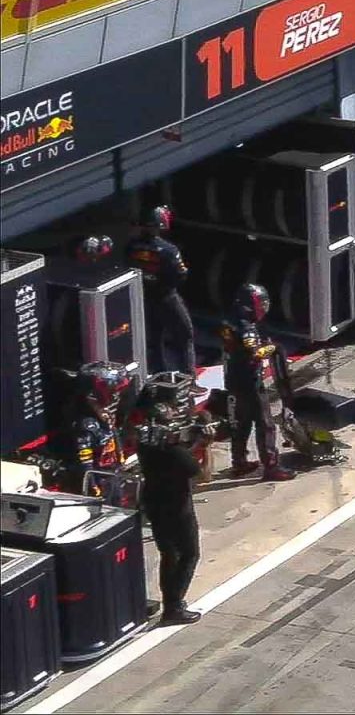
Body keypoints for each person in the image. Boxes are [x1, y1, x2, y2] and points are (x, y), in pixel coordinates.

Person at [136, 405, 206, 625]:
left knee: (169, 554)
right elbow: (200, 473)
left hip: (153, 503)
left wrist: (187, 443)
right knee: (189, 554)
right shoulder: (174, 452)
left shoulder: (145, 445)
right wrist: (202, 444)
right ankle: (173, 606)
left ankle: (171, 603)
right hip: (177, 507)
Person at [220, 284, 294, 482]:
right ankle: (271, 466)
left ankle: (239, 462)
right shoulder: (247, 328)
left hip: (232, 378)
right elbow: (255, 353)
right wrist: (272, 348)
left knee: (241, 422)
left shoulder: (229, 319)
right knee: (265, 424)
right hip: (250, 381)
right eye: (261, 303)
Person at [125, 205, 200, 383]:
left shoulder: (131, 246)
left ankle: (160, 377)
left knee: (154, 338)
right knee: (185, 335)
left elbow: (128, 267)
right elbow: (180, 275)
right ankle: (188, 379)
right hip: (167, 298)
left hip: (143, 298)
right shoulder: (169, 250)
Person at [48, 361, 132, 497]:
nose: (114, 398)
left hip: (112, 472)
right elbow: (86, 463)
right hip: (99, 477)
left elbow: (113, 432)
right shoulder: (86, 426)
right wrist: (92, 485)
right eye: (111, 393)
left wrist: (120, 456)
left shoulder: (106, 417)